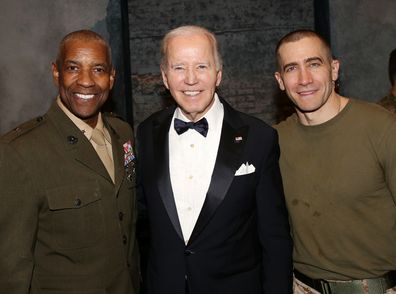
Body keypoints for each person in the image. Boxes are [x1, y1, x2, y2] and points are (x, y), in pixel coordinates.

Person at [136, 25, 293, 294]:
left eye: (201, 67)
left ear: (218, 75)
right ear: (164, 77)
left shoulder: (259, 137)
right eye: (178, 68)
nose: (190, 79)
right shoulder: (146, 132)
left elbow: (275, 239)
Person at [0, 30, 139, 293]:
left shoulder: (123, 134)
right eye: (73, 68)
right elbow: (10, 269)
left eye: (98, 69)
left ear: (111, 77)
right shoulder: (19, 152)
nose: (86, 81)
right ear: (56, 73)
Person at [274, 29, 396, 294]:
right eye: (292, 68)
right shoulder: (273, 142)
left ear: (334, 69)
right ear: (280, 80)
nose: (304, 79)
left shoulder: (382, 128)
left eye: (314, 64)